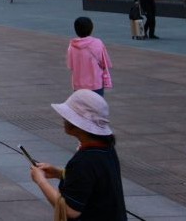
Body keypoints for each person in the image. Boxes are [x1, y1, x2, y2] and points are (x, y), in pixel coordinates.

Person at [29, 90, 126, 219]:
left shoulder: (83, 161)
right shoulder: (106, 148)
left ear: (78, 124)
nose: (63, 119)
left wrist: (41, 181)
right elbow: (95, 179)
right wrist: (60, 173)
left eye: (68, 116)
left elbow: (70, 210)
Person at [67, 17, 113, 96]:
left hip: (78, 85)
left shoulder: (72, 45)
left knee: (81, 107)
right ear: (91, 28)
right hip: (96, 83)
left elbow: (70, 66)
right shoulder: (98, 43)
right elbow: (105, 62)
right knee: (96, 106)